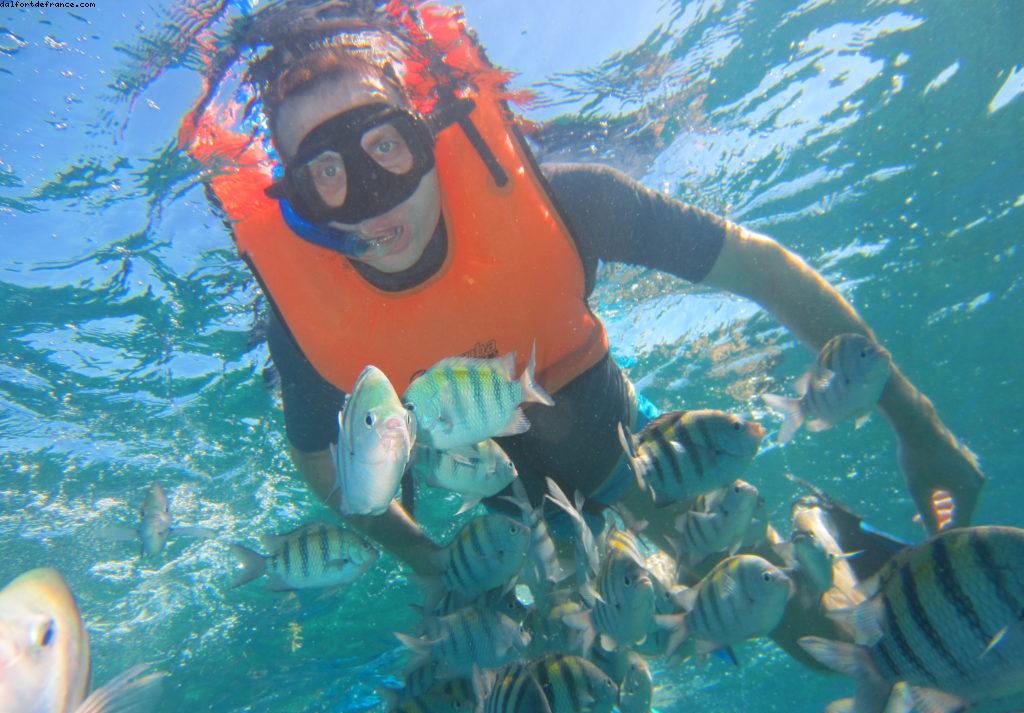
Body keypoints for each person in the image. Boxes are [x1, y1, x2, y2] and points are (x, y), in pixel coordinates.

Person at [180, 1, 982, 576]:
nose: (373, 196)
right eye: (326, 175)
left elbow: (760, 266)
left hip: (618, 449)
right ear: (299, 208)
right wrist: (428, 560)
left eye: (385, 147)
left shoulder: (571, 201)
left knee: (743, 585)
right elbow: (321, 462)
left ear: (428, 137)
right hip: (498, 508)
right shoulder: (303, 322)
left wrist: (917, 425)